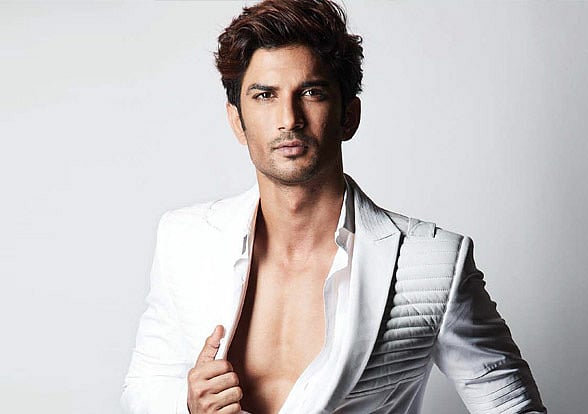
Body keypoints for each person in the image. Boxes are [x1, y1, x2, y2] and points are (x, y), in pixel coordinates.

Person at [121, 1, 546, 413]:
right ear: (237, 121)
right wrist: (188, 405)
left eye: (311, 92)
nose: (289, 118)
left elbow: (513, 406)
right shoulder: (185, 240)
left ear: (348, 116)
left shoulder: (431, 262)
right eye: (265, 95)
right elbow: (143, 386)